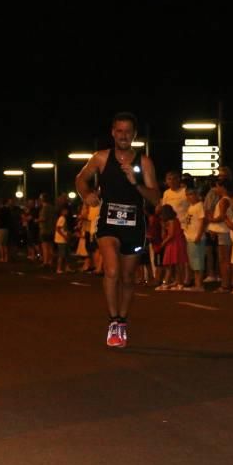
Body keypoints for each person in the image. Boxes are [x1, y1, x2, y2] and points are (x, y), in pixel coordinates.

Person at [75, 112, 160, 348]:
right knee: (111, 270)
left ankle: (122, 321)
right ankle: (113, 320)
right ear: (113, 132)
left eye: (128, 132)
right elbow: (80, 179)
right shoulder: (101, 158)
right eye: (119, 131)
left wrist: (136, 182)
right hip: (108, 223)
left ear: (134, 135)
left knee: (127, 277)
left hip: (134, 226)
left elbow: (155, 198)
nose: (123, 135)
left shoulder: (144, 162)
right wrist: (87, 194)